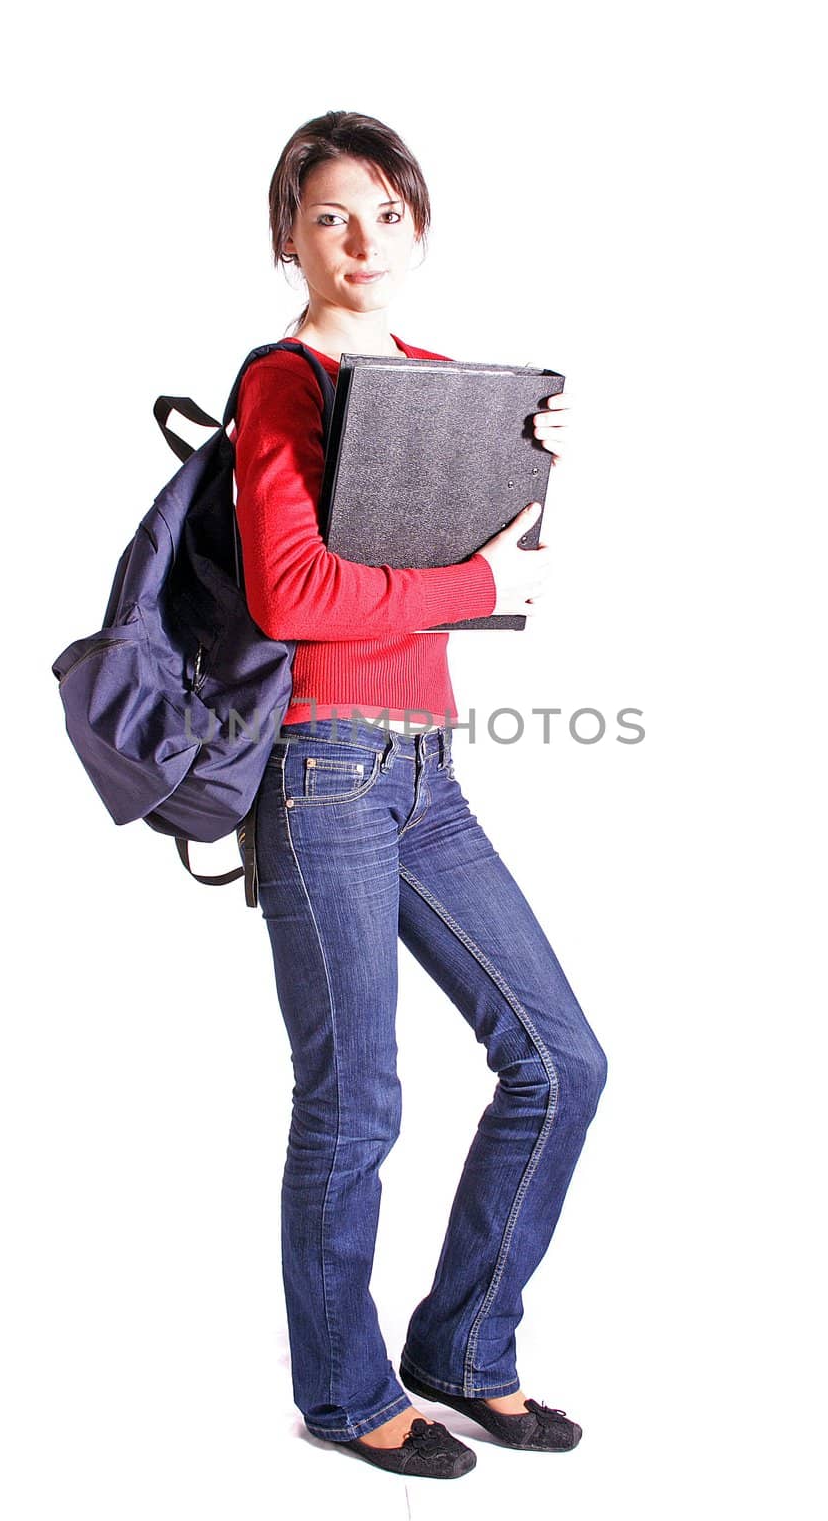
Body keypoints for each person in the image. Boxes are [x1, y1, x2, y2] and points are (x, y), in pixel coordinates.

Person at [231, 110, 608, 1481]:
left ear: (417, 227)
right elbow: (294, 596)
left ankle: (461, 1350)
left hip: (426, 771)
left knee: (562, 1060)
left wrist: (534, 462)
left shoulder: (447, 387)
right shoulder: (284, 383)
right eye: (331, 215)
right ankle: (343, 1392)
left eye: (386, 213)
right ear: (290, 237)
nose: (361, 240)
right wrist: (481, 583)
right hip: (319, 770)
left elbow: (498, 574)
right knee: (355, 1102)